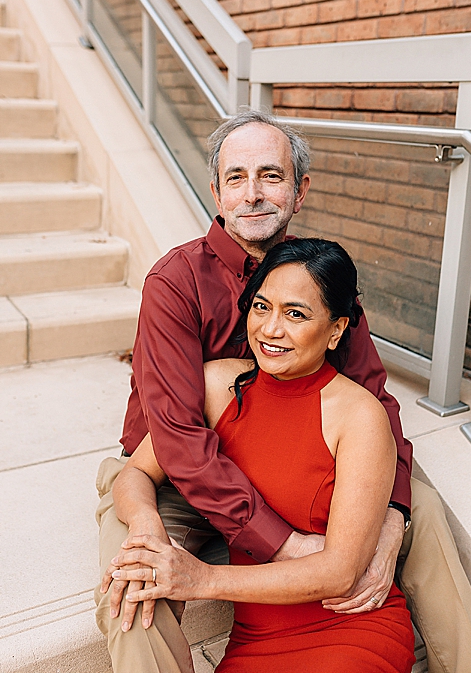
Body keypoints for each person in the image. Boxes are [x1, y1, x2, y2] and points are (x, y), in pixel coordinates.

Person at [94, 110, 471, 673]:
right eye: (236, 178)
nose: (253, 194)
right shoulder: (175, 281)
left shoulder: (320, 273)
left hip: (286, 456)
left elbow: (374, 401)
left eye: (271, 176)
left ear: (300, 190)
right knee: (132, 592)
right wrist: (279, 540)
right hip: (178, 474)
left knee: (421, 509)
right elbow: (179, 434)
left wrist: (388, 526)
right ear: (216, 191)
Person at [104, 239, 415, 672]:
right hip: (255, 640)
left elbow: (340, 573)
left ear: (337, 330)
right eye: (261, 307)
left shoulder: (360, 417)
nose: (270, 329)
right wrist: (147, 523)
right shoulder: (218, 387)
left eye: (296, 314)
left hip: (349, 632)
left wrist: (202, 578)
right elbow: (134, 473)